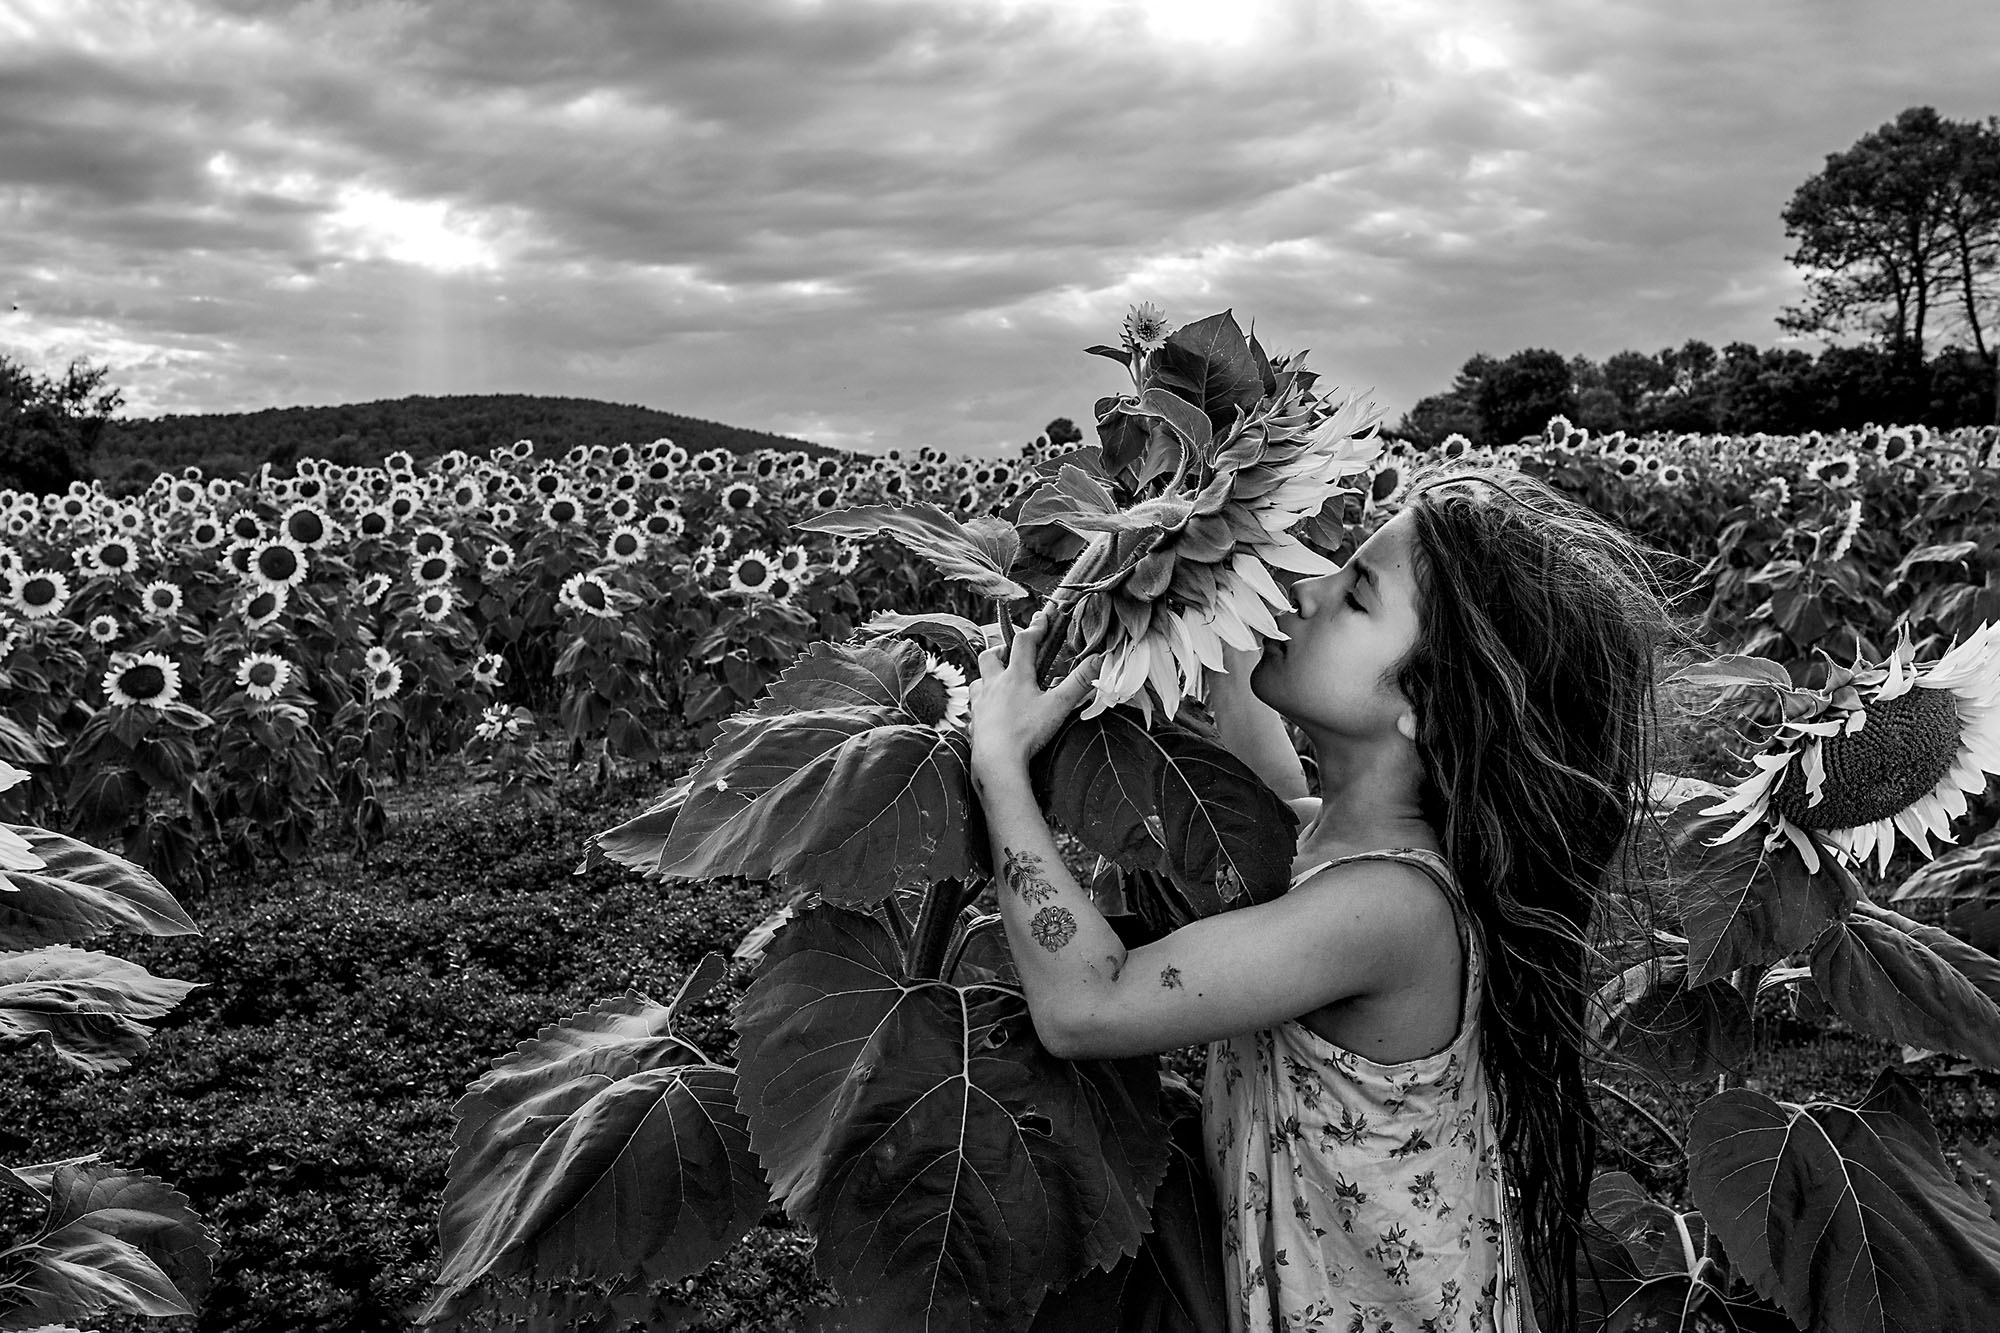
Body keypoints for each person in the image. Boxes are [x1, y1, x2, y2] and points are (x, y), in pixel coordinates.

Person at [967, 466, 1687, 1333]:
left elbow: (1088, 1003)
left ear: (1430, 703)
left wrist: (1001, 765)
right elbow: (1263, 811)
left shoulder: (1388, 909)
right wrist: (1205, 569)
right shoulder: (1329, 841)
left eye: (1355, 597)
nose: (1307, 586)